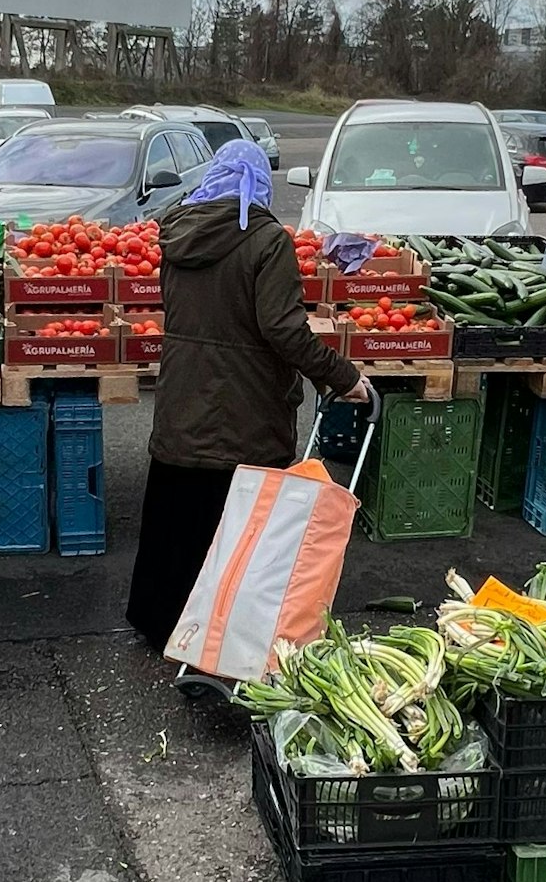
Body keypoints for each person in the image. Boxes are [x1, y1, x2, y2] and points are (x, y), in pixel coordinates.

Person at [127, 140, 370, 647]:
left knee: (177, 512)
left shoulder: (177, 233)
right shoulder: (265, 241)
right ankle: (222, 630)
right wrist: (343, 376)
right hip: (245, 405)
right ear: (258, 184)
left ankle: (160, 620)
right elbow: (284, 329)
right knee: (237, 520)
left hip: (181, 398)